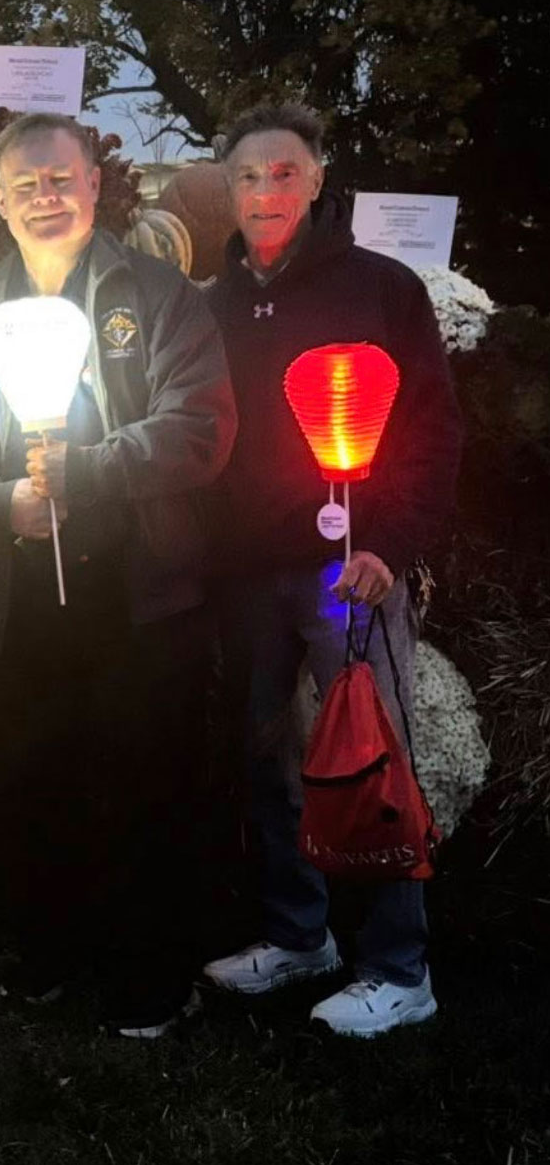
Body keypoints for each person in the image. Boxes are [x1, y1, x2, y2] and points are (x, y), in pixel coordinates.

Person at [0, 112, 237, 1037]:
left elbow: (200, 426)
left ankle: (146, 974)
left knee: (142, 782)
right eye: (26, 185)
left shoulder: (157, 298)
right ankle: (47, 951)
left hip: (138, 587)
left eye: (61, 179)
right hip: (16, 591)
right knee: (32, 776)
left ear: (95, 187)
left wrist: (88, 471)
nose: (46, 197)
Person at [198, 104, 462, 1037]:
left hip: (351, 571)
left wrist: (390, 542)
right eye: (246, 177)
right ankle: (298, 934)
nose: (264, 192)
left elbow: (431, 428)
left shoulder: (379, 288)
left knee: (371, 755)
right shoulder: (212, 305)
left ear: (316, 180)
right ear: (224, 190)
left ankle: (400, 964)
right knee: (268, 760)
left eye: (283, 173)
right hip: (247, 571)